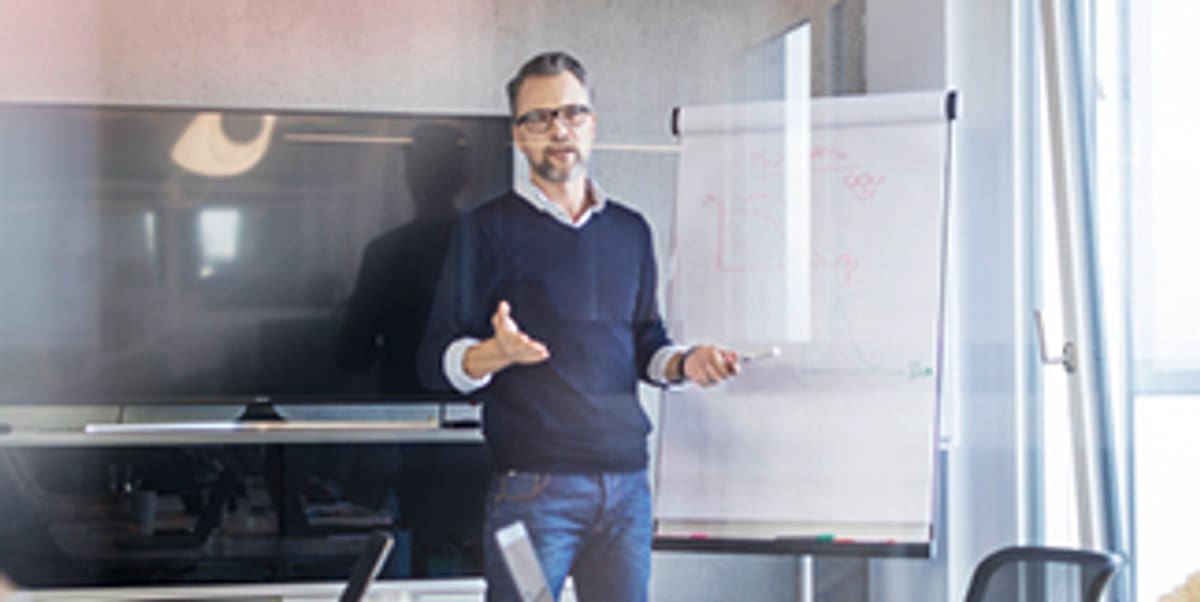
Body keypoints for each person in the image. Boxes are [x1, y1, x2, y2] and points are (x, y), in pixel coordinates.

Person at [418, 51, 739, 601]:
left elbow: (646, 345)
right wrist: (495, 353)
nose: (559, 129)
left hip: (626, 491)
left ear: (593, 124)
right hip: (531, 494)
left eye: (572, 113)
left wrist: (687, 363)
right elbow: (433, 360)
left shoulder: (631, 230)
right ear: (518, 135)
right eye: (539, 117)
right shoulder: (483, 230)